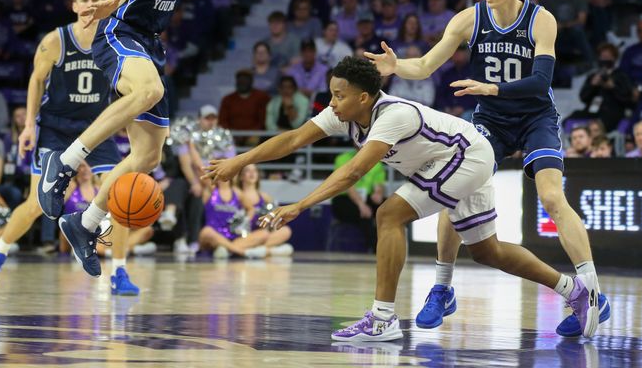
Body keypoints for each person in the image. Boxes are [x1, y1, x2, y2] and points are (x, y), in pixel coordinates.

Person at [203, 57, 599, 340]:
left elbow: (354, 172)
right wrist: (240, 159)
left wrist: (300, 205)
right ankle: (575, 290)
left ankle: (383, 319)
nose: (332, 103)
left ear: (364, 97)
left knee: (388, 215)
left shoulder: (393, 115)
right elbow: (291, 139)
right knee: (487, 252)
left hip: (466, 156)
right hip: (462, 155)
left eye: (339, 96)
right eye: (331, 95)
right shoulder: (343, 113)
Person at [35, 0, 304, 278]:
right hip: (119, 32)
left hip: (150, 42)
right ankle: (66, 162)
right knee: (150, 91)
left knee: (148, 155)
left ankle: (84, 223)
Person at [363, 0, 608, 337]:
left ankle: (592, 290)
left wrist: (491, 88)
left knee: (551, 197)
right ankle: (442, 287)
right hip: (491, 120)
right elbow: (426, 65)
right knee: (451, 188)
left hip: (534, 117)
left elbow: (542, 82)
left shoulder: (541, 20)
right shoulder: (468, 19)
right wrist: (396, 68)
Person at [0, 0, 140, 293]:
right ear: (74, 5)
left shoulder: (114, 41)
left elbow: (128, 86)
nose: (91, 4)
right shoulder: (56, 40)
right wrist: (28, 126)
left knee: (118, 195)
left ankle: (120, 272)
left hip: (96, 127)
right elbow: (36, 80)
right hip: (56, 127)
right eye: (85, 0)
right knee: (36, 203)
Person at [239, 163, 293, 256]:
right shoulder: (238, 194)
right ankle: (270, 250)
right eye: (248, 170)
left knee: (285, 231)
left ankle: (259, 250)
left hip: (263, 233)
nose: (252, 173)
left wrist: (272, 225)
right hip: (245, 235)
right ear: (241, 176)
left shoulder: (264, 196)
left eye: (254, 170)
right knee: (262, 234)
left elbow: (275, 218)